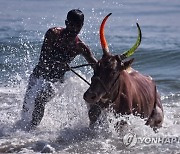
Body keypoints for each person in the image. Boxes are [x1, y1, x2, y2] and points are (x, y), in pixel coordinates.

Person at [20, 9, 97, 130]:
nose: (74, 29)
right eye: (71, 25)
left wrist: (110, 66)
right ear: (66, 23)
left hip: (56, 81)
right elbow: (43, 59)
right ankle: (20, 130)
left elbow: (96, 65)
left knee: (40, 100)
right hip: (38, 75)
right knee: (26, 107)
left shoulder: (80, 47)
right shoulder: (53, 34)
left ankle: (31, 131)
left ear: (82, 26)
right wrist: (59, 63)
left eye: (77, 26)